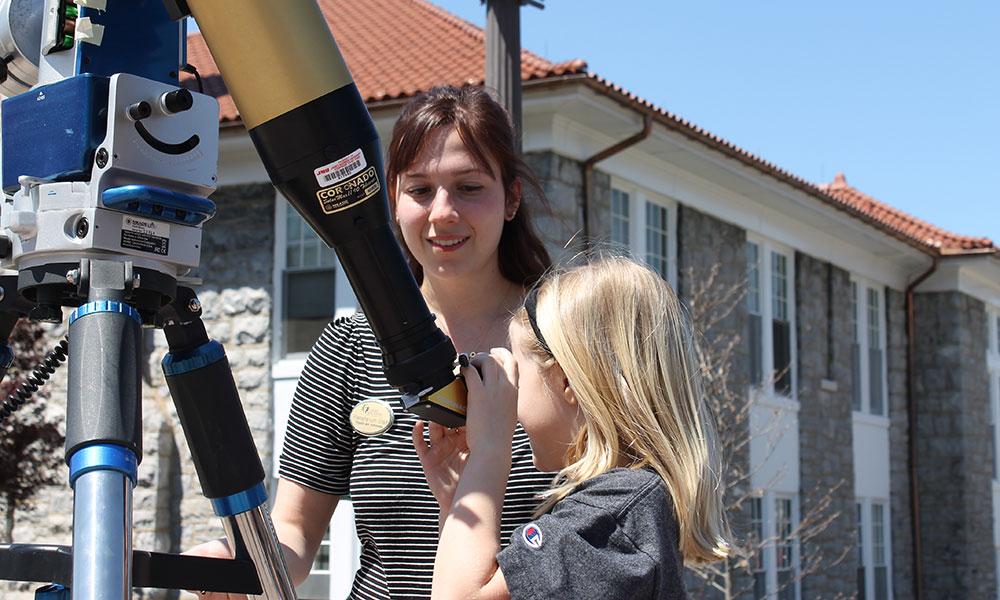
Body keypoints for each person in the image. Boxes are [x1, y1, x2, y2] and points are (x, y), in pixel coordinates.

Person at [190, 85, 555, 599]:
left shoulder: (566, 341)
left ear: (511, 198)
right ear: (392, 201)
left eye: (469, 187)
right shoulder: (350, 347)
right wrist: (243, 565)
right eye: (420, 190)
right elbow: (294, 530)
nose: (442, 211)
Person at [415, 255, 732, 600]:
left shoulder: (614, 513)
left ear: (566, 382)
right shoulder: (625, 506)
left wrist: (489, 453)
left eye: (517, 373)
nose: (511, 394)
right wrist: (459, 496)